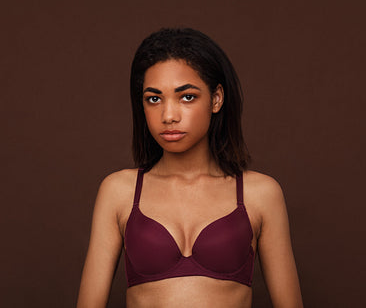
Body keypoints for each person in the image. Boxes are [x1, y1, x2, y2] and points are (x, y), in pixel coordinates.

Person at [76, 28, 303, 308]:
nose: (168, 116)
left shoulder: (260, 194)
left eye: (186, 97)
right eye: (154, 99)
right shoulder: (119, 191)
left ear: (216, 99)